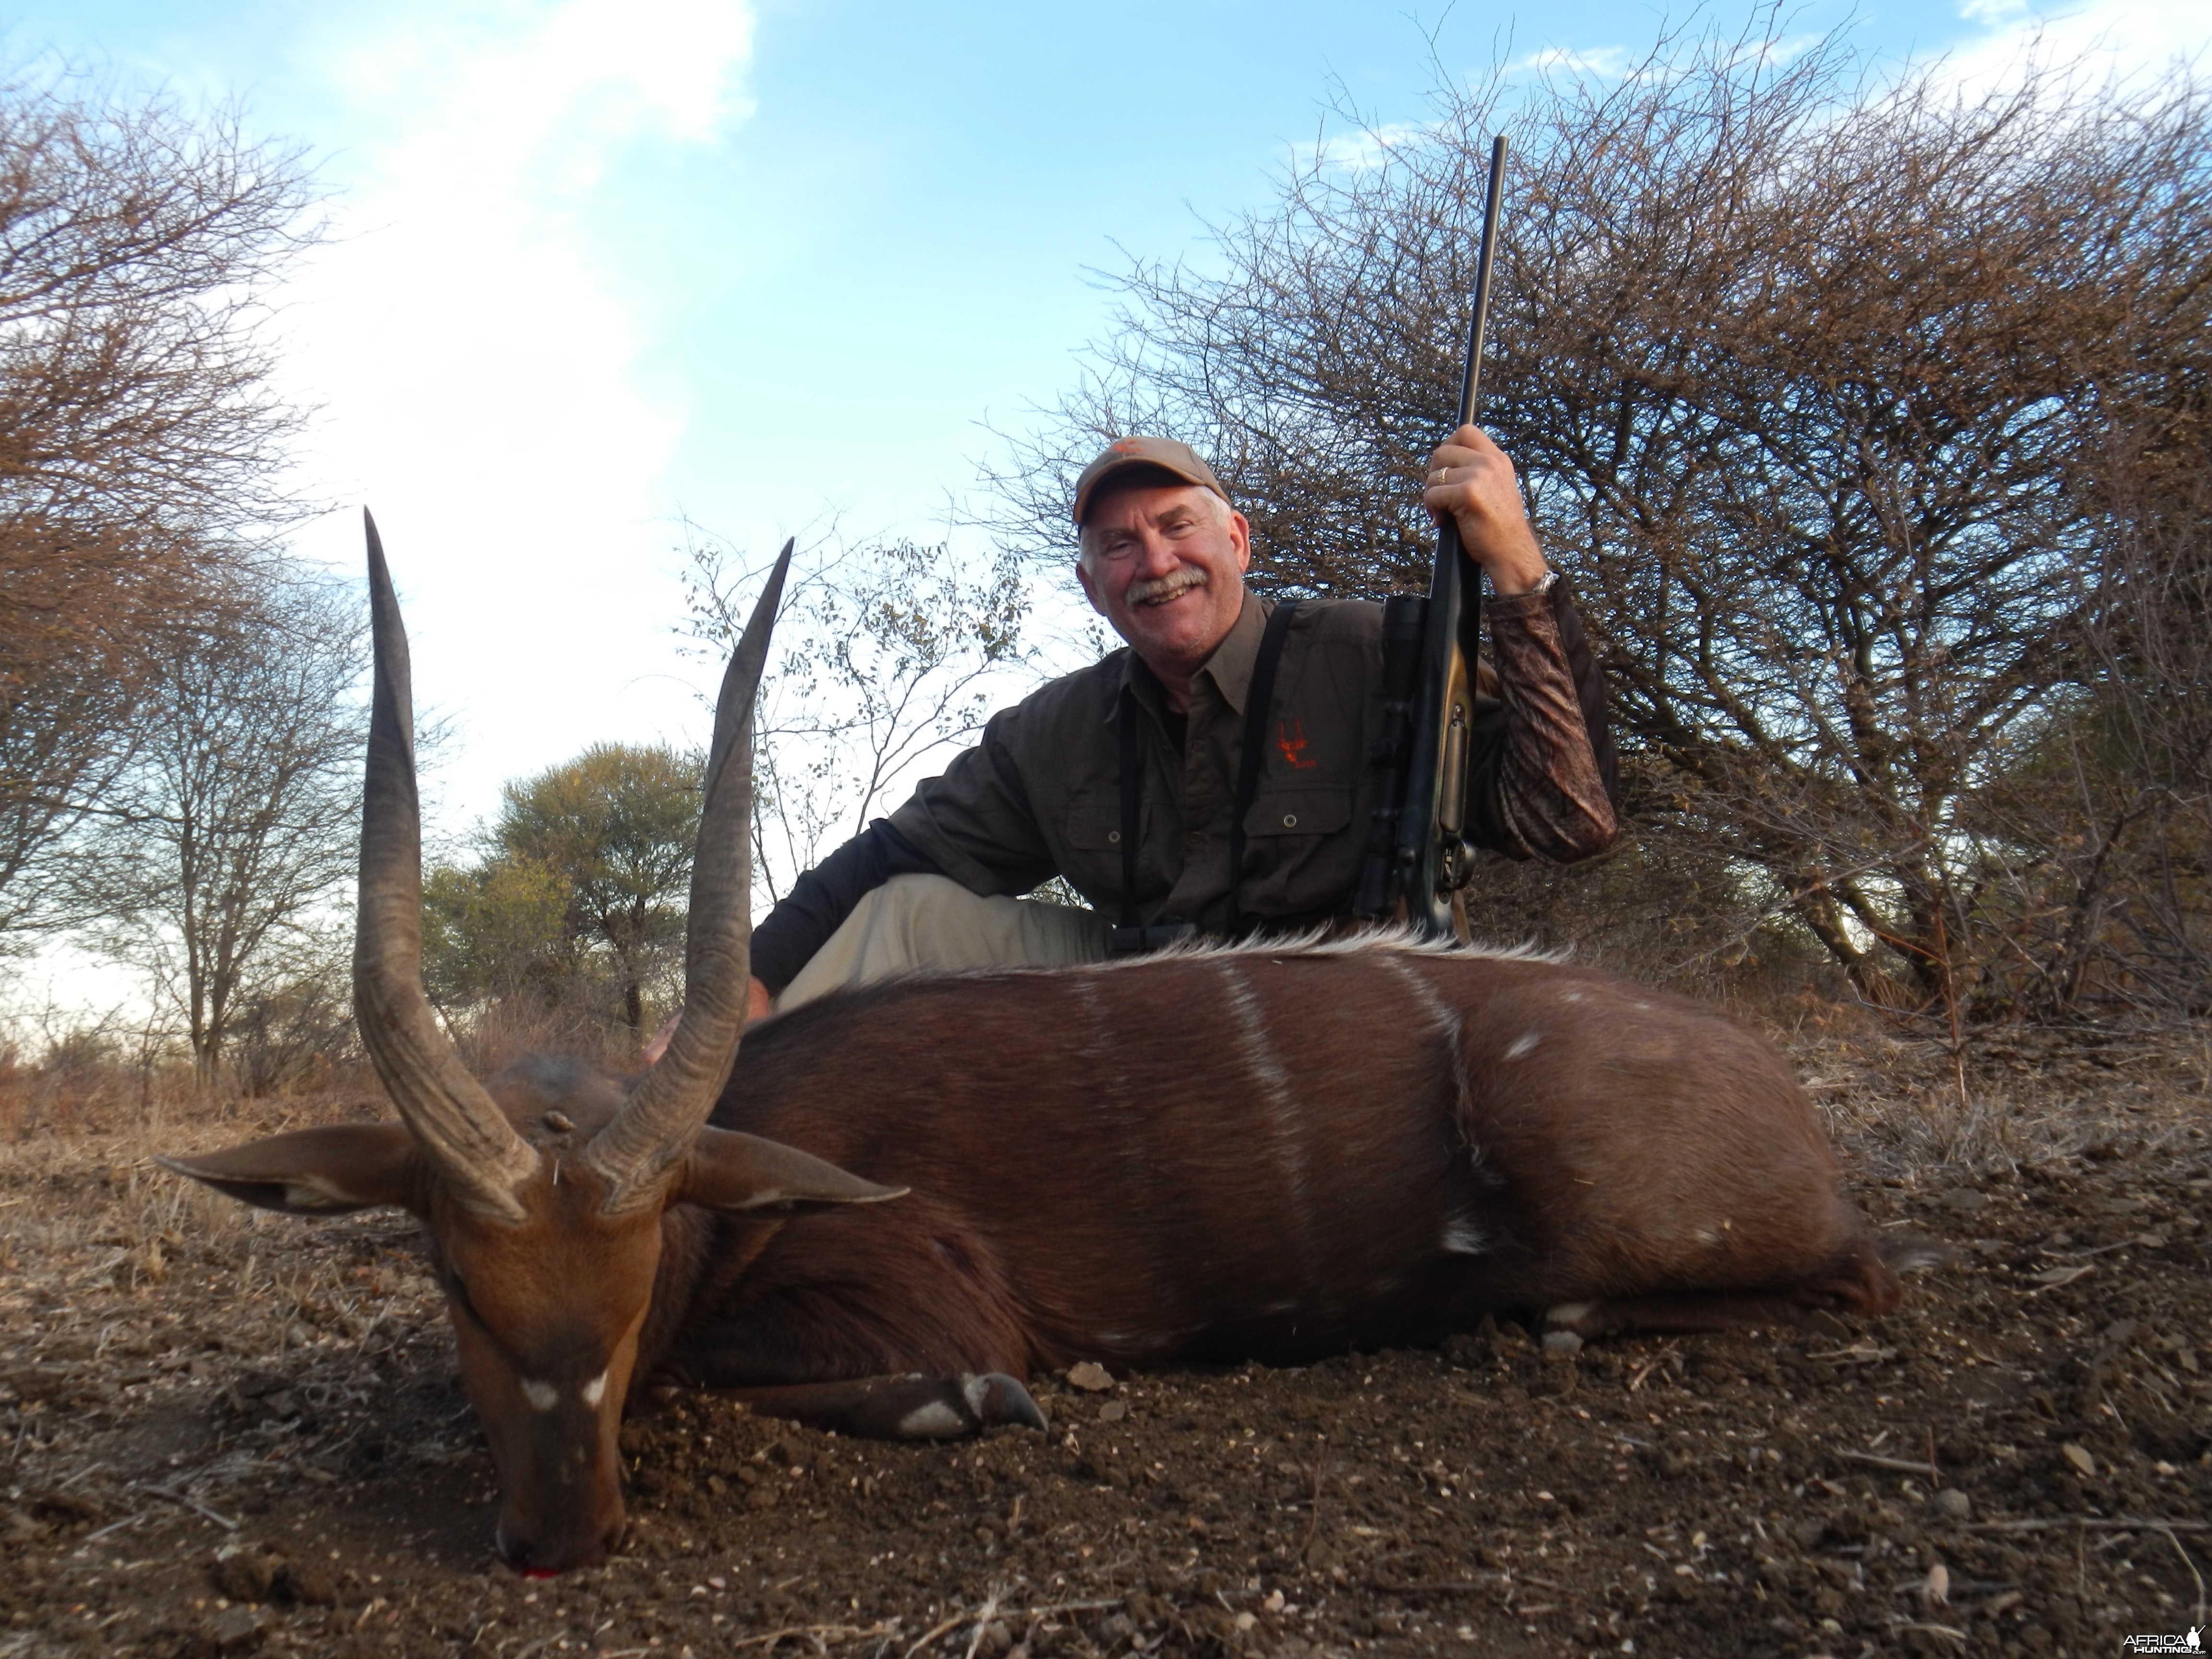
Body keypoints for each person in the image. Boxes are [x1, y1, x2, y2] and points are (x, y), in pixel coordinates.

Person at [733, 428, 1617, 1026]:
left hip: (1351, 1025)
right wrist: (752, 983)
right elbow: (888, 859)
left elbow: (1572, 818)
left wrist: (1514, 562)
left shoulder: (1371, 651)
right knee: (907, 914)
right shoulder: (1056, 729)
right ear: (1091, 586)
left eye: (1175, 526)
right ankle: (711, 1167)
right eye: (1118, 545)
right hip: (1154, 1024)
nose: (1155, 562)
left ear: (1236, 539)